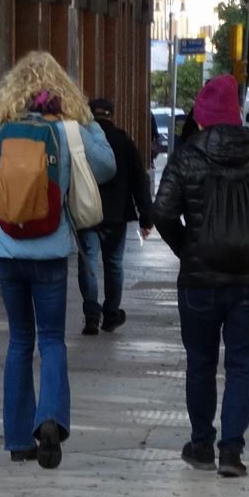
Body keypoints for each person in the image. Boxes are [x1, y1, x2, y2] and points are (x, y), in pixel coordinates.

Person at [0, 52, 116, 469]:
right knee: (52, 340)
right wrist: (81, 127)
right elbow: (106, 166)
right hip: (51, 249)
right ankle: (50, 419)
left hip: (7, 251)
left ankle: (18, 439)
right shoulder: (69, 128)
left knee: (19, 340)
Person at [152, 74, 249, 478]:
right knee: (241, 364)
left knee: (199, 362)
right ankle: (232, 450)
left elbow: (162, 211)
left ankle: (201, 445)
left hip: (199, 281)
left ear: (201, 119)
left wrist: (188, 248)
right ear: (236, 118)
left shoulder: (186, 158)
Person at [76, 96, 153, 335]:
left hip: (87, 212)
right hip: (116, 214)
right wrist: (146, 216)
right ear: (112, 114)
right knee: (114, 264)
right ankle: (111, 314)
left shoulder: (82, 142)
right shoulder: (124, 141)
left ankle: (91, 316)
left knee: (88, 263)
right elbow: (140, 180)